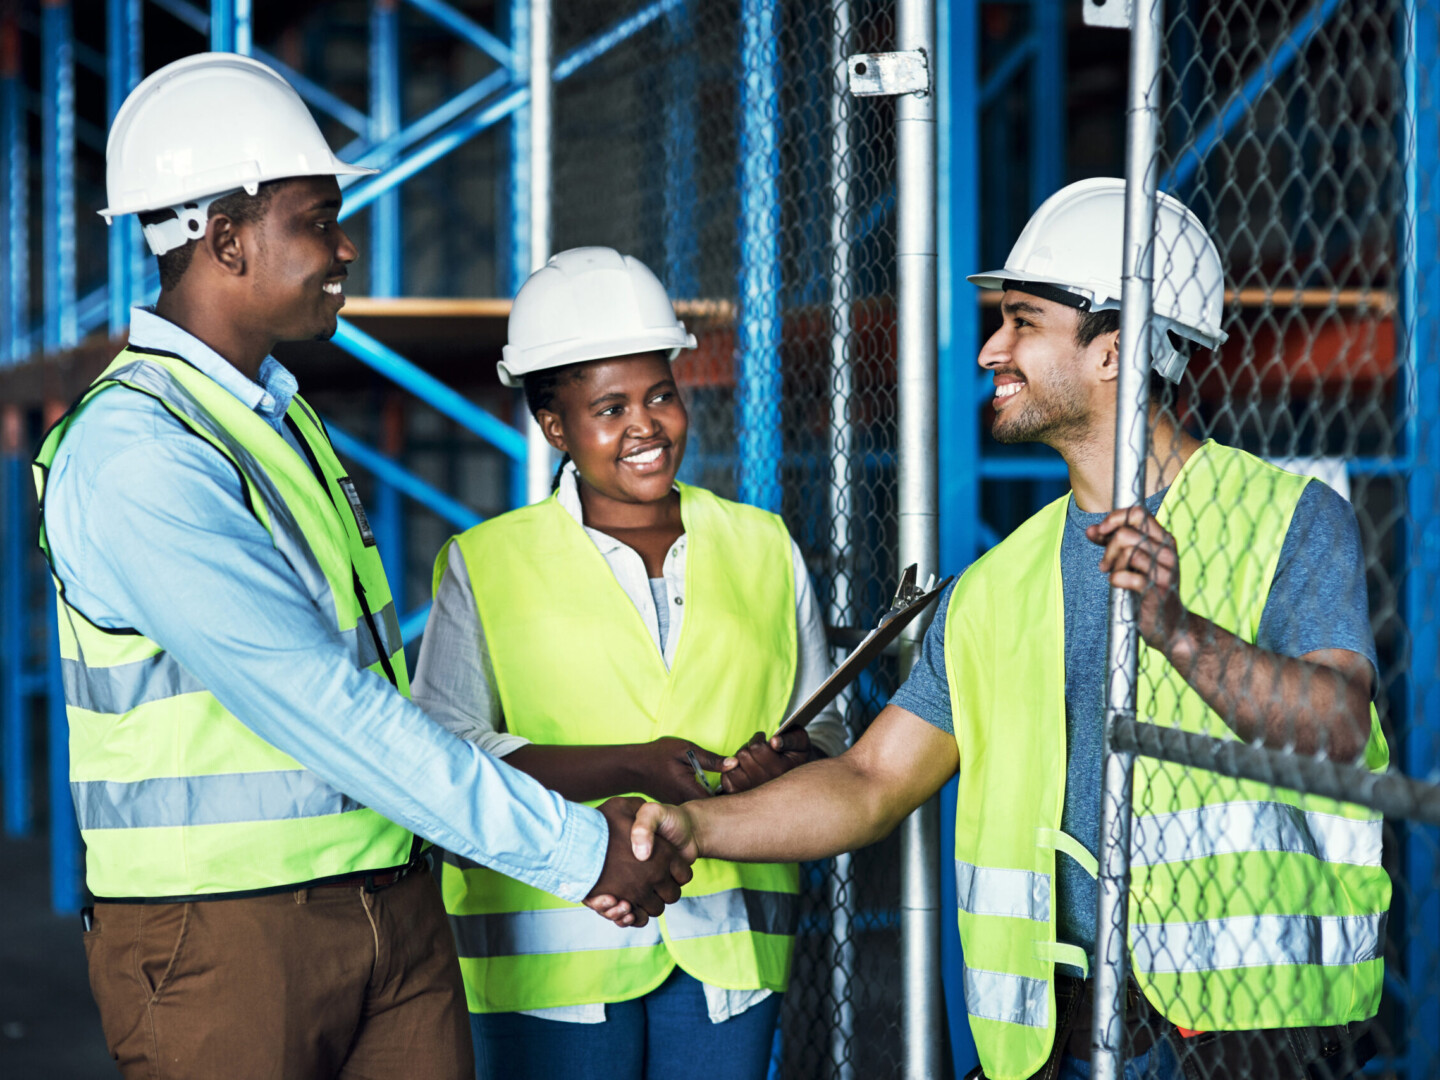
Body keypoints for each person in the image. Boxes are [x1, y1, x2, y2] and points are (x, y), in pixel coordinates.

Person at [624, 179, 1391, 1080]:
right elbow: (871, 780)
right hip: (1052, 1046)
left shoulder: (1287, 518)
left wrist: (1178, 631)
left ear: (1116, 347)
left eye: (1023, 321)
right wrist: (696, 826)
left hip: (1248, 1045)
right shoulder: (996, 586)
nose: (992, 347)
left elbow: (1338, 728)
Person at [36, 55, 689, 1080]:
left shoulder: (275, 418)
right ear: (225, 238)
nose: (347, 248)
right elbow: (320, 706)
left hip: (392, 898)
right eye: (318, 221)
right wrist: (571, 849)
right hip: (223, 944)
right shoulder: (140, 454)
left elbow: (374, 697)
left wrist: (606, 780)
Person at [410, 245, 849, 1080]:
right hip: (552, 953)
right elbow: (445, 752)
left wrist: (785, 762)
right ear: (555, 427)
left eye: (660, 396)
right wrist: (630, 763)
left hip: (728, 949)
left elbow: (822, 724)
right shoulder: (488, 562)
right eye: (609, 408)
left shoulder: (762, 546)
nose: (645, 426)